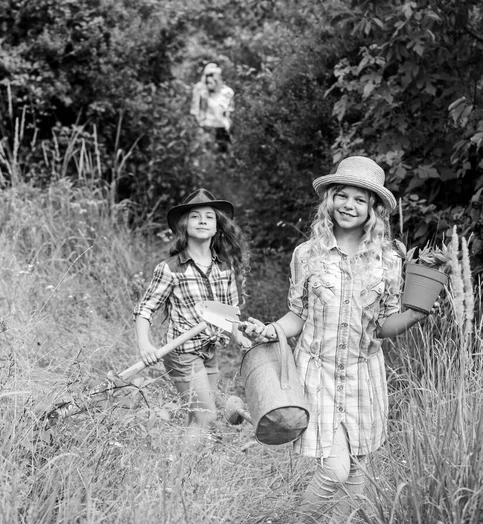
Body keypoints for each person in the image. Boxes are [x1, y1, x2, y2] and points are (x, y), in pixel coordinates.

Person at [239, 156, 429, 523]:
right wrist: (270, 331)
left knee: (357, 474)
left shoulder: (388, 260)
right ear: (330, 200)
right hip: (318, 372)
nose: (349, 205)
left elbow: (384, 325)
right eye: (342, 196)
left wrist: (414, 315)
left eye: (360, 200)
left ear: (372, 209)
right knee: (335, 470)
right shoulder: (307, 255)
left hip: (363, 375)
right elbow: (298, 314)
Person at [133, 188, 249, 445]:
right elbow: (145, 308)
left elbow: (229, 311)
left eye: (209, 216)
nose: (203, 220)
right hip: (182, 352)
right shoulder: (171, 269)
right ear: (184, 226)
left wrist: (239, 336)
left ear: (218, 227)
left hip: (208, 350)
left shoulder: (224, 268)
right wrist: (144, 343)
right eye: (195, 216)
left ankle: (188, 472)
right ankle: (183, 476)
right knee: (205, 415)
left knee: (198, 415)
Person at [190, 63, 235, 152]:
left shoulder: (226, 92)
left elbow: (226, 113)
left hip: (221, 129)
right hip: (206, 128)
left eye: (212, 77)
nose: (209, 83)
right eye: (207, 78)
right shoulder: (201, 92)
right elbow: (195, 112)